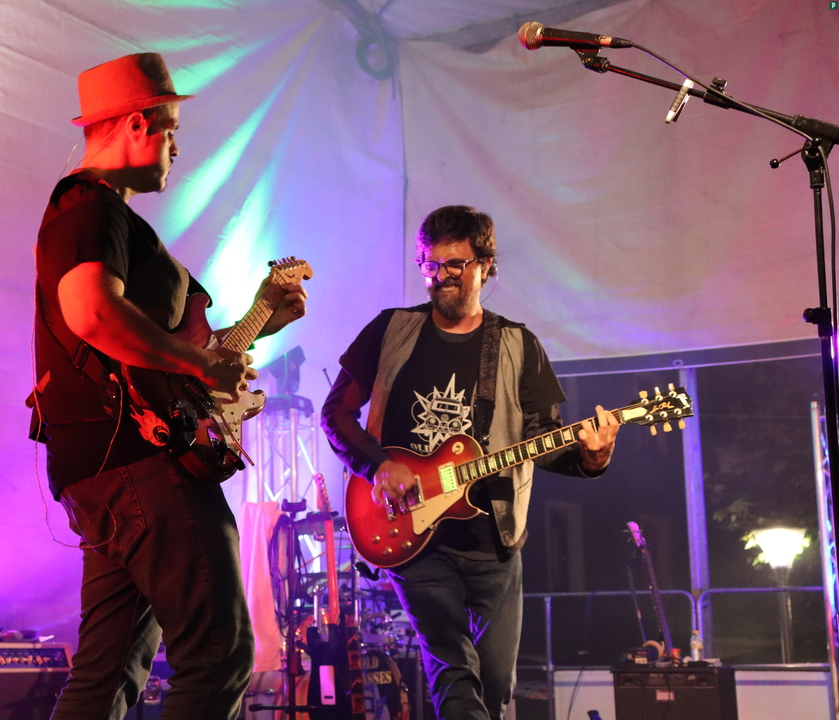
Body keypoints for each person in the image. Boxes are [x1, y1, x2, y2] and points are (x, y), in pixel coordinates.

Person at [30, 53, 307, 720]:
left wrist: (258, 321)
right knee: (219, 656)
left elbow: (167, 356)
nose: (178, 148)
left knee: (105, 675)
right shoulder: (90, 206)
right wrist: (203, 367)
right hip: (141, 462)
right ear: (136, 123)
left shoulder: (98, 214)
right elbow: (92, 313)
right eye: (172, 129)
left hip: (109, 466)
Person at [320, 205, 618, 720]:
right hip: (411, 534)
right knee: (454, 670)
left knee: (496, 682)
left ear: (486, 265)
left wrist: (592, 458)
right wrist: (377, 466)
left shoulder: (518, 344)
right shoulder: (389, 330)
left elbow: (542, 438)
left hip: (493, 540)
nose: (441, 276)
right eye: (430, 265)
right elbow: (336, 413)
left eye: (455, 264)